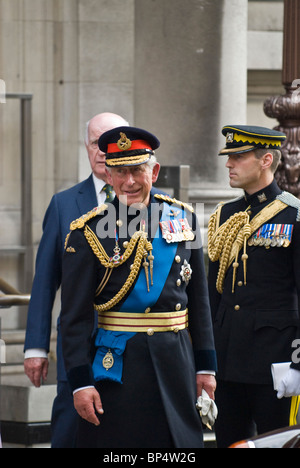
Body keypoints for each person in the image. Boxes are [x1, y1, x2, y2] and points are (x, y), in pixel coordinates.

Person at [60, 126, 217, 448]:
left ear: (154, 171)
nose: (128, 181)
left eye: (136, 171)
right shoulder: (87, 232)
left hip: (176, 362)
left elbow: (199, 302)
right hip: (117, 367)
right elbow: (73, 319)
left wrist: (206, 367)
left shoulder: (184, 219)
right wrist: (80, 383)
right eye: (119, 172)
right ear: (107, 174)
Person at [23, 112, 129, 448]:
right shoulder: (64, 204)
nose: (102, 150)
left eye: (109, 142)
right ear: (87, 147)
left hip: (130, 346)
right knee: (70, 435)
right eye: (95, 142)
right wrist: (35, 347)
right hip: (77, 346)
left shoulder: (146, 204)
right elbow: (44, 282)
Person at [208, 124, 300, 448]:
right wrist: (205, 359)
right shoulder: (224, 215)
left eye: (238, 157)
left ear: (266, 160)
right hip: (227, 363)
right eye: (228, 157)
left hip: (275, 367)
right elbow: (212, 296)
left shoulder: (293, 216)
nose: (229, 164)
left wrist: (298, 363)